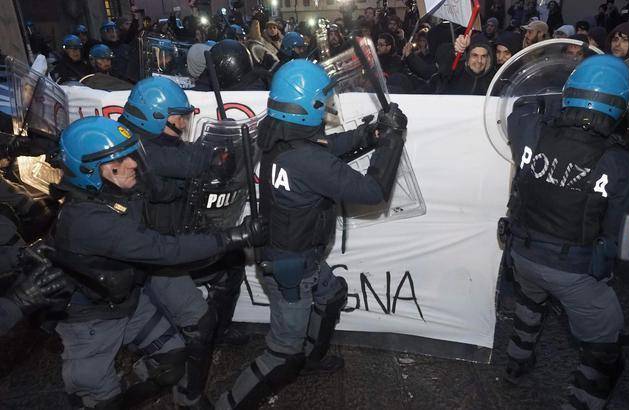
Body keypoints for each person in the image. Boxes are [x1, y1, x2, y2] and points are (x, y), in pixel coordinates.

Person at [215, 59, 408, 409]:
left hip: (296, 256)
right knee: (280, 353)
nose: (329, 105)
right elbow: (372, 191)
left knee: (331, 296)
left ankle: (311, 359)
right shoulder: (305, 158)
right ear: (308, 107)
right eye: (323, 100)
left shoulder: (279, 137)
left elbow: (326, 148)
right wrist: (392, 141)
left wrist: (371, 135)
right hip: (291, 267)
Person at [51, 116, 266, 409]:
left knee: (172, 361)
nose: (133, 165)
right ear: (89, 171)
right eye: (119, 163)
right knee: (102, 400)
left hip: (127, 302)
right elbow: (164, 250)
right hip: (91, 322)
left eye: (131, 156)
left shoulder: (114, 191)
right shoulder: (89, 220)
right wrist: (234, 237)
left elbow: (169, 170)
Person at [118, 76, 266, 407]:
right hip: (152, 255)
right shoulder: (131, 147)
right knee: (200, 323)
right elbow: (187, 161)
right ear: (154, 116)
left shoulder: (155, 138)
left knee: (232, 264)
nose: (185, 123)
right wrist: (217, 154)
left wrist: (221, 143)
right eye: (178, 116)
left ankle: (221, 331)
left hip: (177, 237)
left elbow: (187, 152)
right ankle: (189, 395)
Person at [502, 55, 629, 409]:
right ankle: (582, 401)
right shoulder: (617, 161)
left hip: (522, 254)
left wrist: (558, 95)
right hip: (571, 270)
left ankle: (516, 361)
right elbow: (613, 230)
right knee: (606, 344)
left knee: (530, 304)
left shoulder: (532, 129)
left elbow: (522, 104)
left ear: (569, 92)